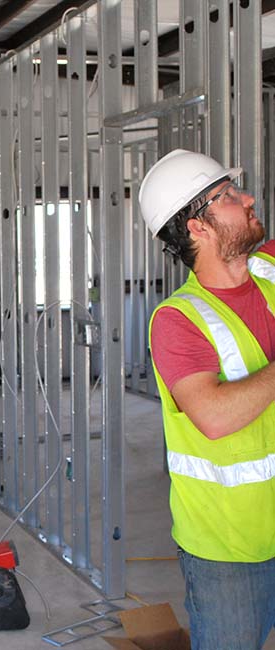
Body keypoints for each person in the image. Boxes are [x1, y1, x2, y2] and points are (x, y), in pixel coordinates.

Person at [139, 148, 275, 650]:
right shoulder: (178, 321)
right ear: (199, 226)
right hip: (229, 552)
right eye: (230, 195)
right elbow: (214, 416)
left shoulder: (268, 270)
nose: (249, 198)